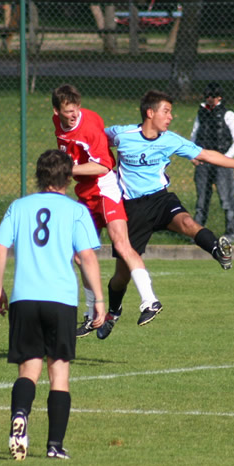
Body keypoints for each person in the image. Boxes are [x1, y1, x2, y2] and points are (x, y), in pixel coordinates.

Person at [98, 90, 234, 339]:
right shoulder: (122, 134)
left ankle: (217, 251)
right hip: (132, 208)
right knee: (121, 276)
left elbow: (206, 154)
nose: (170, 117)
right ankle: (113, 312)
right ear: (150, 112)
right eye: (166, 111)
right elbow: (94, 138)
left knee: (188, 222)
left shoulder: (171, 140)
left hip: (160, 199)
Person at [0, 149, 106, 461]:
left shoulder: (19, 206)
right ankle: (54, 446)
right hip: (61, 300)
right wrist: (98, 299)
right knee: (59, 374)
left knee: (28, 369)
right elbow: (86, 256)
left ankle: (20, 416)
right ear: (69, 178)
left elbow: (0, 250)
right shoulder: (76, 210)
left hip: (25, 299)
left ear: (40, 176)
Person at [51, 84, 163, 335]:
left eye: (76, 109)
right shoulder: (57, 121)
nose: (74, 114)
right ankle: (92, 315)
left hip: (104, 190)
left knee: (121, 244)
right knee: (79, 255)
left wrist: (65, 170)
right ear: (56, 111)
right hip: (85, 195)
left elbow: (102, 167)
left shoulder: (88, 128)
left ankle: (150, 300)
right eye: (68, 111)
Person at [189, 82, 234, 242]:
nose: (209, 99)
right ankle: (197, 233)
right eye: (206, 96)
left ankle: (231, 232)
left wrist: (225, 159)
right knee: (201, 200)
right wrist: (193, 155)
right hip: (203, 163)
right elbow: (195, 135)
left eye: (212, 96)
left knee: (226, 200)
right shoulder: (201, 113)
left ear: (219, 97)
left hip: (222, 164)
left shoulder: (228, 115)